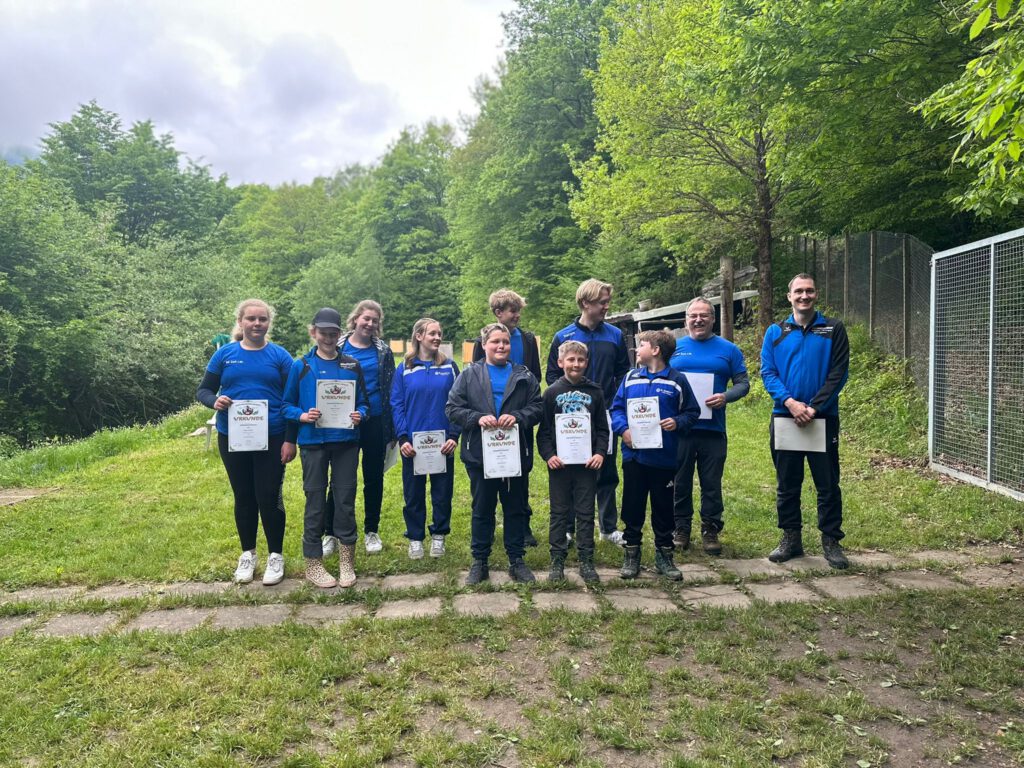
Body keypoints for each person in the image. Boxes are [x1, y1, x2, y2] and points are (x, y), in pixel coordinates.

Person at [196, 299, 295, 585]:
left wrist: (290, 439)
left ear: (268, 323)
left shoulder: (279, 356)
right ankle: (248, 554)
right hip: (233, 436)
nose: (256, 324)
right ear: (240, 322)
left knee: (269, 495)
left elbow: (292, 399)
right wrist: (215, 401)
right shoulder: (225, 355)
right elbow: (203, 390)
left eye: (262, 319)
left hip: (272, 435)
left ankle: (275, 555)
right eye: (251, 319)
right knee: (243, 495)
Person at [760, 273, 850, 569]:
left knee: (827, 483)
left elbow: (839, 372)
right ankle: (791, 538)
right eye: (798, 291)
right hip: (785, 416)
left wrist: (813, 407)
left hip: (822, 418)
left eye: (809, 291)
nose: (804, 296)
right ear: (789, 296)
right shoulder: (776, 331)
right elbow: (768, 372)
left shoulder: (833, 329)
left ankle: (831, 540)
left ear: (816, 294)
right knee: (787, 483)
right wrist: (790, 402)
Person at [446, 322, 543, 584]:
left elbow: (538, 407)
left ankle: (517, 561)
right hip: (480, 455)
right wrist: (477, 418)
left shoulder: (524, 375)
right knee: (482, 509)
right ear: (484, 345)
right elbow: (452, 408)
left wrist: (518, 416)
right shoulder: (469, 375)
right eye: (496, 341)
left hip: (514, 455)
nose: (501, 346)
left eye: (506, 342)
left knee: (515, 508)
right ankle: (480, 562)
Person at [282, 308, 369, 589]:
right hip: (313, 442)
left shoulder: (352, 365)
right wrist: (302, 416)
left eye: (333, 333)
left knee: (345, 499)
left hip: (345, 442)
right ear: (313, 332)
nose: (328, 338)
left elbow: (364, 403)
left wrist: (360, 414)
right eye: (323, 333)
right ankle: (313, 563)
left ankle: (347, 562)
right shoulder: (301, 366)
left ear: (339, 334)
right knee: (315, 500)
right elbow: (286, 405)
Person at [546, 279, 630, 547]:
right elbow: (552, 376)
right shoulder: (563, 336)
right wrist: (569, 402)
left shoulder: (615, 335)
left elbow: (623, 374)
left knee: (606, 470)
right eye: (602, 302)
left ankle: (607, 528)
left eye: (607, 302)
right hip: (570, 417)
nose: (607, 306)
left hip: (604, 414)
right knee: (571, 470)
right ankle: (568, 529)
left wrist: (614, 403)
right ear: (585, 303)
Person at [611, 329, 700, 580]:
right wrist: (623, 430)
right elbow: (616, 409)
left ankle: (664, 555)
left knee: (663, 508)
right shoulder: (630, 378)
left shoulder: (676, 381)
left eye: (641, 345)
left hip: (664, 459)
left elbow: (692, 412)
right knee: (632, 506)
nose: (636, 349)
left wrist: (677, 422)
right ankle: (632, 553)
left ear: (656, 350)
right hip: (634, 457)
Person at [668, 297, 750, 555]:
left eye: (704, 315)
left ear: (713, 319)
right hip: (681, 429)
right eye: (693, 315)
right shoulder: (673, 348)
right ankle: (680, 528)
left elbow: (743, 384)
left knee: (711, 483)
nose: (698, 320)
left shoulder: (729, 349)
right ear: (686, 320)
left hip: (713, 429)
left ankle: (710, 529)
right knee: (680, 481)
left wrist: (726, 396)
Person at [324, 300, 396, 556]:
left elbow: (391, 389)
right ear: (355, 319)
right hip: (343, 421)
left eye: (375, 320)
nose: (370, 323)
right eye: (366, 318)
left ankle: (371, 531)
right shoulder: (337, 346)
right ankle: (330, 533)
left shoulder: (384, 352)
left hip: (375, 420)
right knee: (339, 479)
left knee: (374, 478)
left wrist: (392, 428)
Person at [472, 289, 543, 546]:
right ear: (498, 312)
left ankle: (523, 525)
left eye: (519, 310)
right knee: (488, 473)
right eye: (513, 311)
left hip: (519, 418)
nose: (517, 315)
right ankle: (487, 526)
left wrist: (521, 412)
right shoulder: (484, 340)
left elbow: (535, 375)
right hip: (490, 421)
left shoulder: (527, 339)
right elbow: (477, 379)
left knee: (521, 472)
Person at [536, 340, 609, 583]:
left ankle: (586, 560)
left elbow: (603, 429)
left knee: (586, 512)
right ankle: (557, 560)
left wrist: (600, 453)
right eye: (571, 359)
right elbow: (543, 432)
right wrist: (549, 456)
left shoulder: (595, 392)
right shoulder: (551, 393)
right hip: (560, 465)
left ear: (586, 362)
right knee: (559, 512)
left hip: (587, 465)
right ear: (560, 362)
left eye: (580, 360)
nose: (575, 364)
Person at [391, 318, 460, 560]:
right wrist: (403, 438)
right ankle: (415, 538)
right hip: (413, 444)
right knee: (413, 493)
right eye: (432, 333)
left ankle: (439, 535)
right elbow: (397, 404)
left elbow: (459, 402)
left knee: (442, 492)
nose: (437, 337)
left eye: (439, 333)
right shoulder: (405, 368)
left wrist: (454, 435)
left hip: (443, 443)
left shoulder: (450, 367)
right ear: (418, 336)